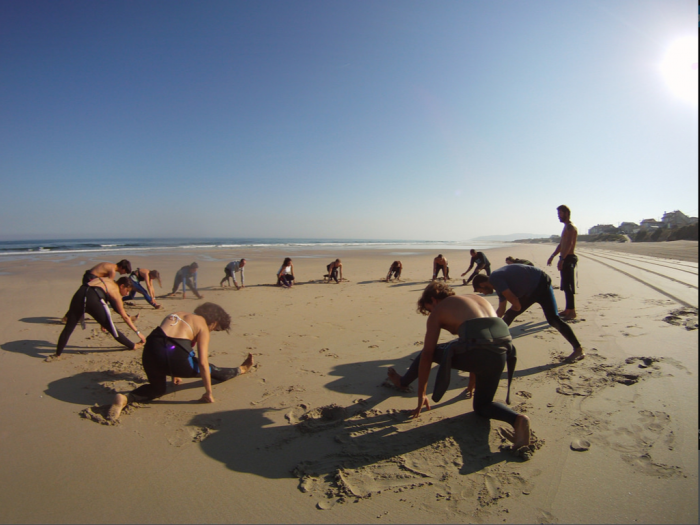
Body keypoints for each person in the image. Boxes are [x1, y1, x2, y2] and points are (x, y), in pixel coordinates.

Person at [386, 282, 531, 451]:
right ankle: (517, 420)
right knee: (483, 406)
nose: (431, 313)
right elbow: (482, 336)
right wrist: (472, 378)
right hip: (501, 352)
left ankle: (403, 382)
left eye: (429, 309)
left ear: (433, 300)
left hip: (478, 351)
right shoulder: (476, 299)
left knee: (428, 351)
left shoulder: (439, 310)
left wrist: (422, 394)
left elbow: (427, 354)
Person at [107, 303, 254, 421]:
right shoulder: (202, 324)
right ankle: (241, 369)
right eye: (215, 329)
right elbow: (202, 362)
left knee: (157, 389)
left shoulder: (176, 314)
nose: (212, 331)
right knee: (212, 369)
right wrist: (208, 393)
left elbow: (168, 343)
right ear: (214, 322)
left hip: (151, 350)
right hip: (175, 357)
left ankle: (126, 398)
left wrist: (174, 373)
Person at [472, 265, 585, 363]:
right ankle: (493, 342)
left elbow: (516, 305)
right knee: (550, 318)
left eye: (481, 291)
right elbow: (501, 311)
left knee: (551, 319)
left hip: (539, 284)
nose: (484, 294)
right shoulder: (498, 285)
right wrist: (490, 326)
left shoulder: (495, 279)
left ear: (482, 284)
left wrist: (492, 329)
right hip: (539, 281)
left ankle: (493, 344)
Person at [52, 276, 146, 358]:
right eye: (127, 291)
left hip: (80, 293)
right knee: (112, 329)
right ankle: (133, 346)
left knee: (68, 328)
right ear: (122, 286)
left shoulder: (108, 280)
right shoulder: (116, 292)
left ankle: (57, 354)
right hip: (93, 299)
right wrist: (138, 332)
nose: (126, 294)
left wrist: (102, 321)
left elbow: (104, 299)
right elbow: (125, 317)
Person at [61, 259, 132, 323]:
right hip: (91, 278)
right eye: (125, 271)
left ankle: (68, 317)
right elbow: (108, 287)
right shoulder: (112, 271)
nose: (124, 273)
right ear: (122, 268)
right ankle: (126, 316)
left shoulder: (110, 264)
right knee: (109, 299)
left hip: (88, 276)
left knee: (83, 300)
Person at [547, 205, 579, 320]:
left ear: (566, 213)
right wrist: (553, 256)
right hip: (565, 258)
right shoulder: (566, 227)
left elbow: (569, 244)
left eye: (560, 214)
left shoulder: (571, 227)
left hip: (569, 258)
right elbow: (561, 244)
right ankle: (568, 309)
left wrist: (562, 259)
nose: (558, 216)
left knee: (569, 286)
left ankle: (572, 312)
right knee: (565, 286)